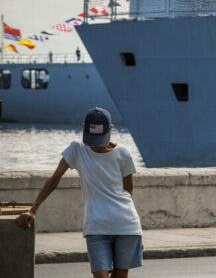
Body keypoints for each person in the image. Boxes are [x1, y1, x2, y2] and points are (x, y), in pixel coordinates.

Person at [17, 108, 143, 278]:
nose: (96, 144)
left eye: (100, 139)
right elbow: (55, 179)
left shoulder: (123, 153)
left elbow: (128, 190)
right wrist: (33, 209)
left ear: (110, 131)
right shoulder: (76, 149)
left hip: (126, 225)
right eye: (92, 139)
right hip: (96, 227)